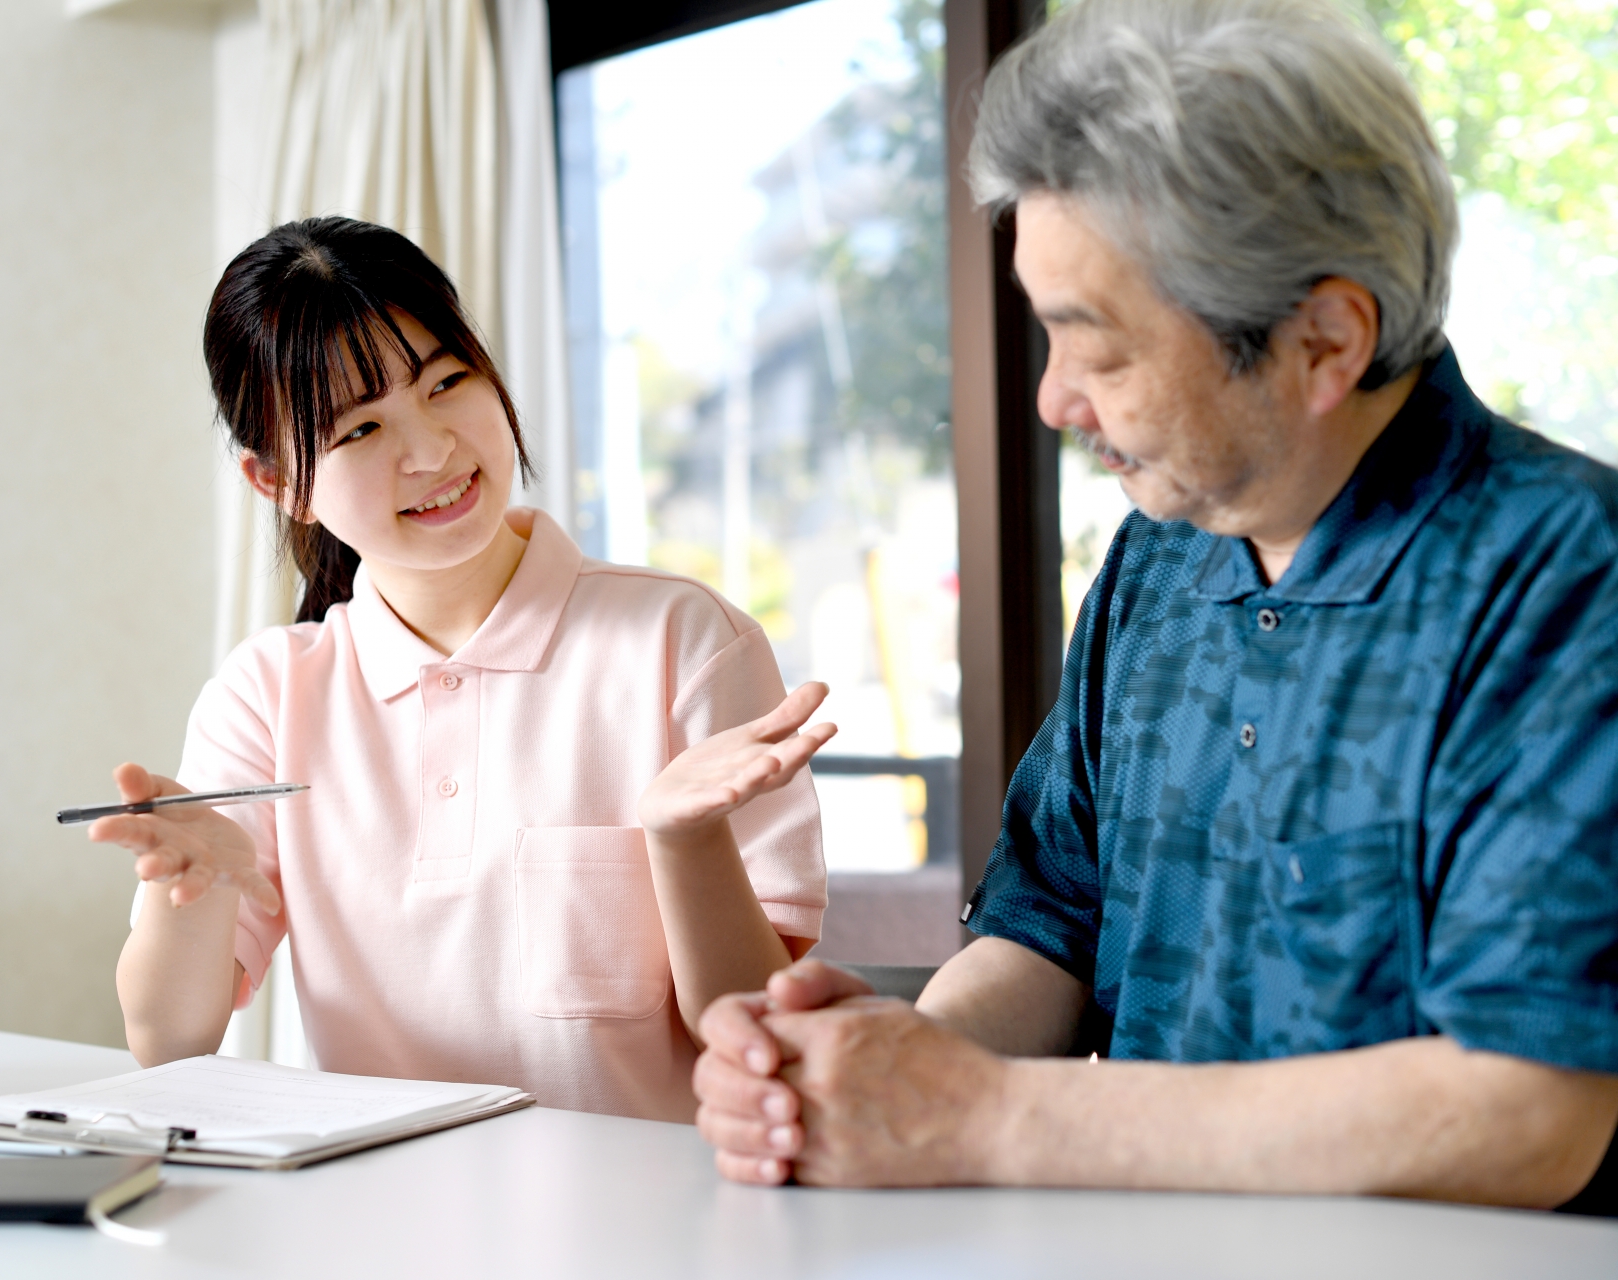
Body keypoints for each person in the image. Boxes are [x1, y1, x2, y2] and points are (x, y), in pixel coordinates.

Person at [693, 0, 1618, 1209]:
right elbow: (1048, 923)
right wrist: (862, 1066)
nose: (1053, 399)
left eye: (1100, 347)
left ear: (1325, 338)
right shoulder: (1159, 561)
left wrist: (981, 1111)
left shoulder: (1564, 574)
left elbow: (1533, 1106)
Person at [99, 217, 832, 1122]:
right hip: (380, 1225)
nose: (435, 450)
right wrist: (197, 888)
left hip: (647, 1234)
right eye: (361, 429)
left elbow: (756, 1036)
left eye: (447, 382)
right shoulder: (267, 694)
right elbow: (169, 1043)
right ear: (277, 482)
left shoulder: (684, 638)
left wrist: (686, 841)